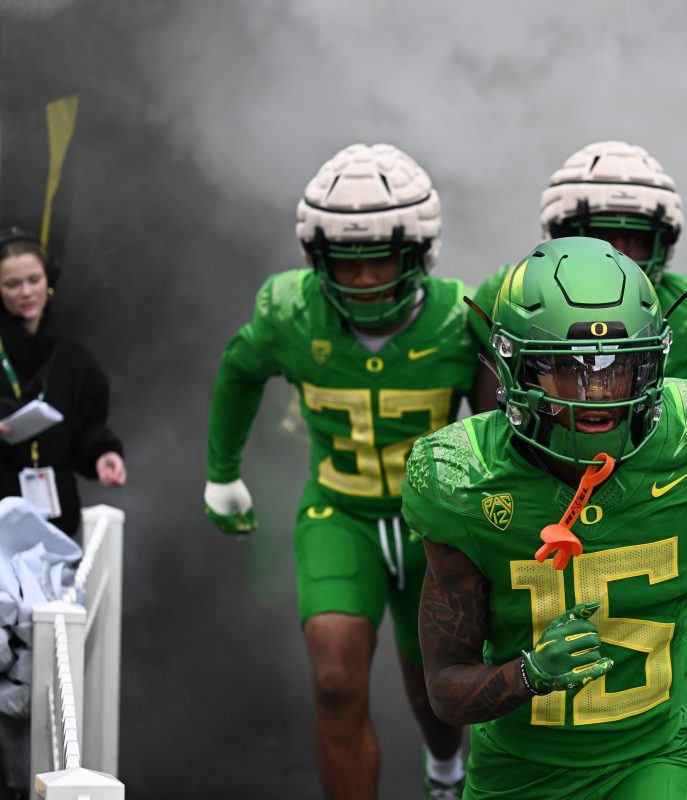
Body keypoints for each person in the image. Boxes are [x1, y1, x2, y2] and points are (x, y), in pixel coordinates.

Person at [405, 236, 687, 800]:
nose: (597, 392)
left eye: (618, 367)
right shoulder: (464, 477)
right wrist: (526, 674)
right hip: (520, 772)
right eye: (568, 370)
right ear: (517, 366)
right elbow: (446, 689)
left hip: (650, 757)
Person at [470, 141, 687, 796]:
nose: (614, 257)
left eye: (631, 240)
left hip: (679, 503)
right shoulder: (516, 303)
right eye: (596, 239)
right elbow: (490, 430)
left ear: (662, 242)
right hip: (565, 510)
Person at [203, 144, 480, 800]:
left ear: (417, 252)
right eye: (344, 263)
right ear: (316, 258)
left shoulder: (461, 318)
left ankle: (446, 771)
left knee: (435, 689)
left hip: (435, 526)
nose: (361, 281)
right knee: (334, 682)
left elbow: (500, 432)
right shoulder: (289, 311)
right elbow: (239, 369)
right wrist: (223, 471)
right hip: (340, 511)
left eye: (378, 258)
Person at [0, 228, 124, 537]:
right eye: (13, 284)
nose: (27, 292)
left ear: (49, 282)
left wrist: (103, 454)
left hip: (55, 522)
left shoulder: (73, 357)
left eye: (34, 280)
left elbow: (86, 428)